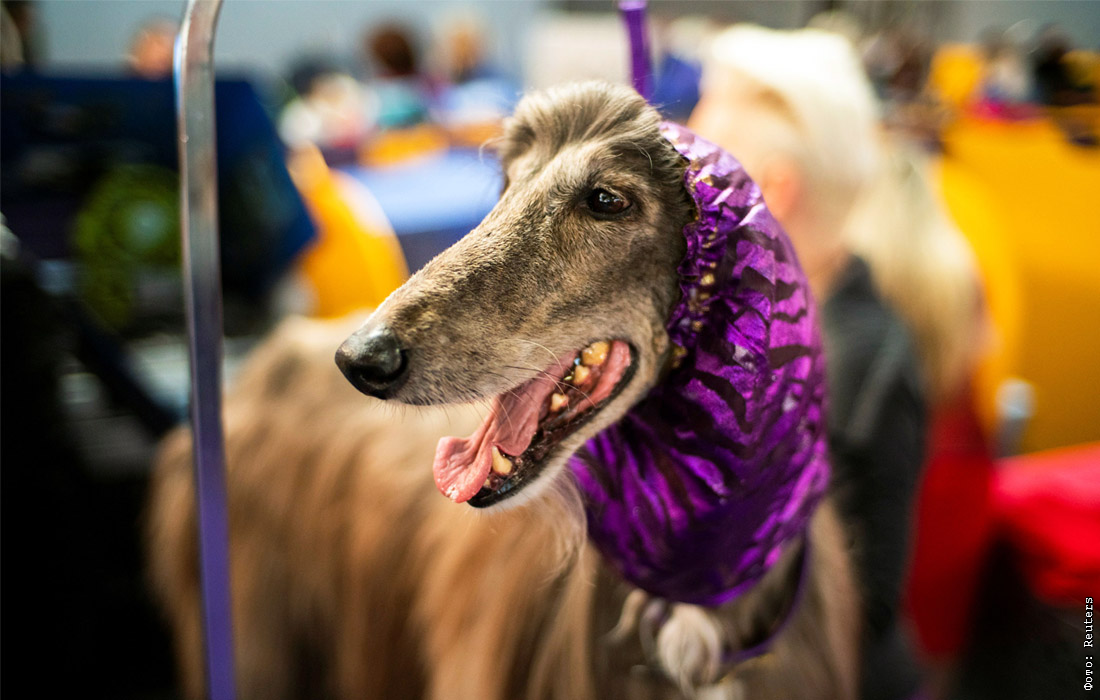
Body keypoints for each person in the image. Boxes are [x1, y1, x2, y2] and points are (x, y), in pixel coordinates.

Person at [689, 25, 927, 700]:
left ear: (772, 188)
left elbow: (852, 614)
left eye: (695, 173)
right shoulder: (744, 322)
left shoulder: (855, 378)